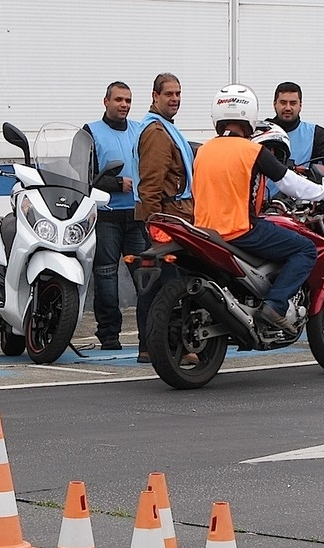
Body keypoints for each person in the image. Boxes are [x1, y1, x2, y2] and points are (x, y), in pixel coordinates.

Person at [193, 84, 324, 336]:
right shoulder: (252, 151)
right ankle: (275, 305)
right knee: (305, 249)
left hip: (204, 231)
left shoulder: (203, 150)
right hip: (240, 230)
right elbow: (289, 182)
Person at [133, 72, 195, 363]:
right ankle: (169, 347)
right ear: (154, 96)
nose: (175, 99)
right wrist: (156, 224)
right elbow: (152, 183)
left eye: (178, 94)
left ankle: (151, 347)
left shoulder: (166, 128)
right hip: (167, 219)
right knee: (171, 285)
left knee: (157, 284)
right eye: (169, 94)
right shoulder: (157, 133)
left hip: (170, 216)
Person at [82, 81, 148, 352]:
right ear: (105, 101)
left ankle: (149, 334)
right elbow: (85, 175)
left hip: (136, 215)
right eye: (119, 99)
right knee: (107, 276)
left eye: (128, 100)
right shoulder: (91, 133)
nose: (124, 105)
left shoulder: (140, 130)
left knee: (146, 278)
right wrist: (116, 183)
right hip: (107, 216)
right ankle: (109, 336)